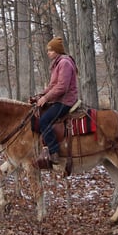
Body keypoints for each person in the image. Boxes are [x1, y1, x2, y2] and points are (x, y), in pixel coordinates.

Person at [34, 37, 78, 167]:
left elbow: (62, 87)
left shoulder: (64, 63)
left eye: (51, 50)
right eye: (48, 50)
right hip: (58, 99)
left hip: (66, 100)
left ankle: (54, 151)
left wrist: (46, 98)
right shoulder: (57, 64)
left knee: (44, 120)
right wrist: (40, 95)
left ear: (57, 51)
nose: (48, 52)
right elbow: (52, 85)